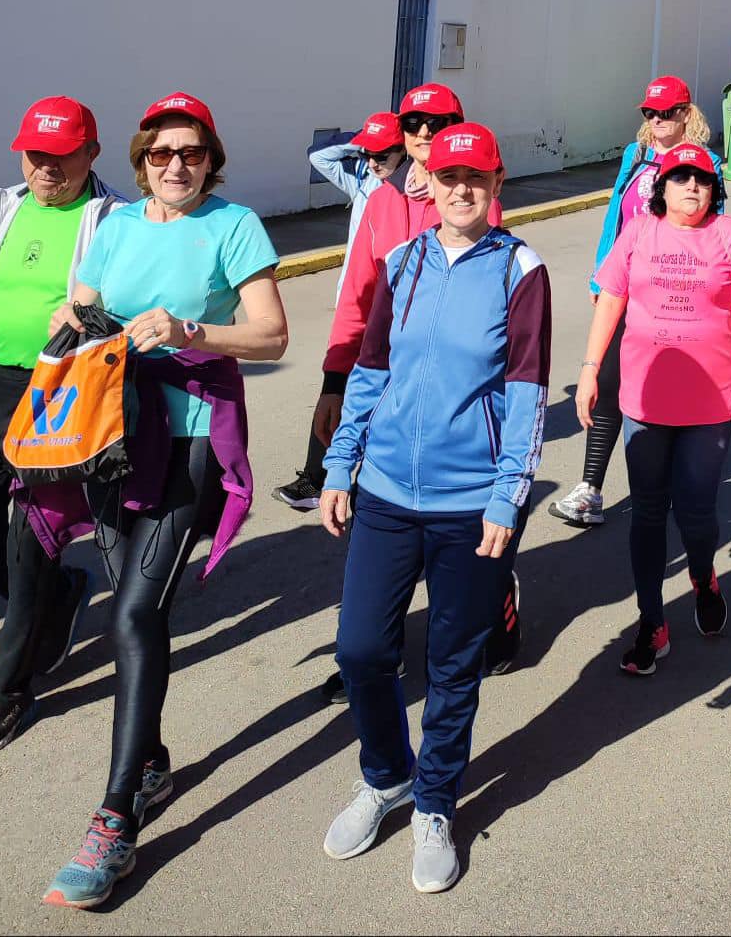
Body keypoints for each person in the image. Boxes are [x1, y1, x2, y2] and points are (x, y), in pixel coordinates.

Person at [40, 91, 286, 908]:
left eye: (190, 151)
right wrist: (71, 313)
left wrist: (189, 331)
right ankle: (148, 763)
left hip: (186, 435)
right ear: (142, 157)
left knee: (135, 614)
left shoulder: (234, 224)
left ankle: (114, 820)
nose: (174, 165)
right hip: (111, 430)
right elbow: (79, 303)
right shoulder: (112, 225)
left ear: (211, 156)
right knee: (126, 599)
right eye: (159, 152)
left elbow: (272, 334)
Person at [319, 122, 550, 896]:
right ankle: (386, 775)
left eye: (475, 179)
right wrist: (341, 461)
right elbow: (370, 366)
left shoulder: (522, 268)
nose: (459, 189)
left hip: (468, 504)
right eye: (448, 176)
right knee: (359, 650)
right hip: (385, 491)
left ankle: (434, 801)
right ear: (429, 178)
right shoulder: (403, 259)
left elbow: (525, 392)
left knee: (452, 666)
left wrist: (507, 495)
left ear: (496, 183)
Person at [0, 96, 122, 758]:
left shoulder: (115, 222)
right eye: (35, 154)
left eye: (61, 155)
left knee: (28, 541)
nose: (46, 168)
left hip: (58, 400)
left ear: (90, 153)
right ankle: (60, 593)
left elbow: (133, 311)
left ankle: (7, 688)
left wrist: (92, 320)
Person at [313, 83, 513, 699]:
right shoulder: (379, 202)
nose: (425, 132)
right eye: (414, 122)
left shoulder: (468, 200)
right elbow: (357, 299)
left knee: (473, 530)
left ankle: (497, 611)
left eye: (440, 121)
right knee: (385, 525)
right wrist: (333, 382)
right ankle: (378, 649)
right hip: (388, 392)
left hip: (459, 401)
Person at [577, 144, 731, 675]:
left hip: (709, 400)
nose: (691, 187)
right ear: (661, 187)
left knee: (698, 509)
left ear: (715, 189)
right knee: (647, 511)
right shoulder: (639, 232)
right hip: (644, 396)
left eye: (702, 180)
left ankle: (704, 573)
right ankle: (651, 622)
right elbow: (611, 297)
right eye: (680, 178)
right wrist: (591, 368)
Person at [550, 76, 724, 529]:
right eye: (650, 113)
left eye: (667, 112)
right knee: (608, 381)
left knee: (667, 383)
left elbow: (714, 228)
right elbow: (615, 215)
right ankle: (590, 489)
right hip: (625, 285)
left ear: (687, 113)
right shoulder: (636, 156)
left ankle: (662, 484)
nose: (658, 121)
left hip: (674, 291)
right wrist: (600, 274)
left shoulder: (706, 164)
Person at [275, 113, 407, 510]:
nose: (373, 162)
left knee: (371, 399)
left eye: (383, 154)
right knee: (333, 393)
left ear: (405, 152)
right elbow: (321, 158)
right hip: (353, 306)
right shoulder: (365, 182)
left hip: (386, 316)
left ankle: (355, 480)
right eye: (368, 155)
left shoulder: (413, 198)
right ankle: (316, 478)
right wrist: (362, 143)